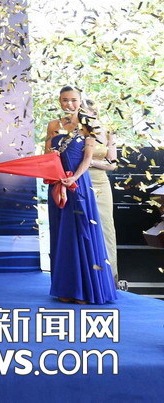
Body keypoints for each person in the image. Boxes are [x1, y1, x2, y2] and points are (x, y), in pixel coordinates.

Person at [43, 86, 117, 304]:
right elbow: (47, 154)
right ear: (59, 101)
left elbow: (87, 159)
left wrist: (74, 177)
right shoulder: (53, 125)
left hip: (79, 184)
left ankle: (85, 289)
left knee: (82, 232)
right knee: (62, 234)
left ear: (80, 101)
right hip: (58, 184)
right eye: (65, 100)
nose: (69, 104)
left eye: (73, 100)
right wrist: (54, 168)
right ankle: (65, 288)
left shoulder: (89, 126)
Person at [82, 97, 120, 287]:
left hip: (100, 183)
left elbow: (112, 165)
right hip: (80, 180)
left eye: (85, 110)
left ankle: (109, 279)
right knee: (83, 227)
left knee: (105, 227)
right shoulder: (76, 131)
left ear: (94, 112)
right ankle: (85, 278)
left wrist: (90, 162)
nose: (82, 114)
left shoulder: (108, 132)